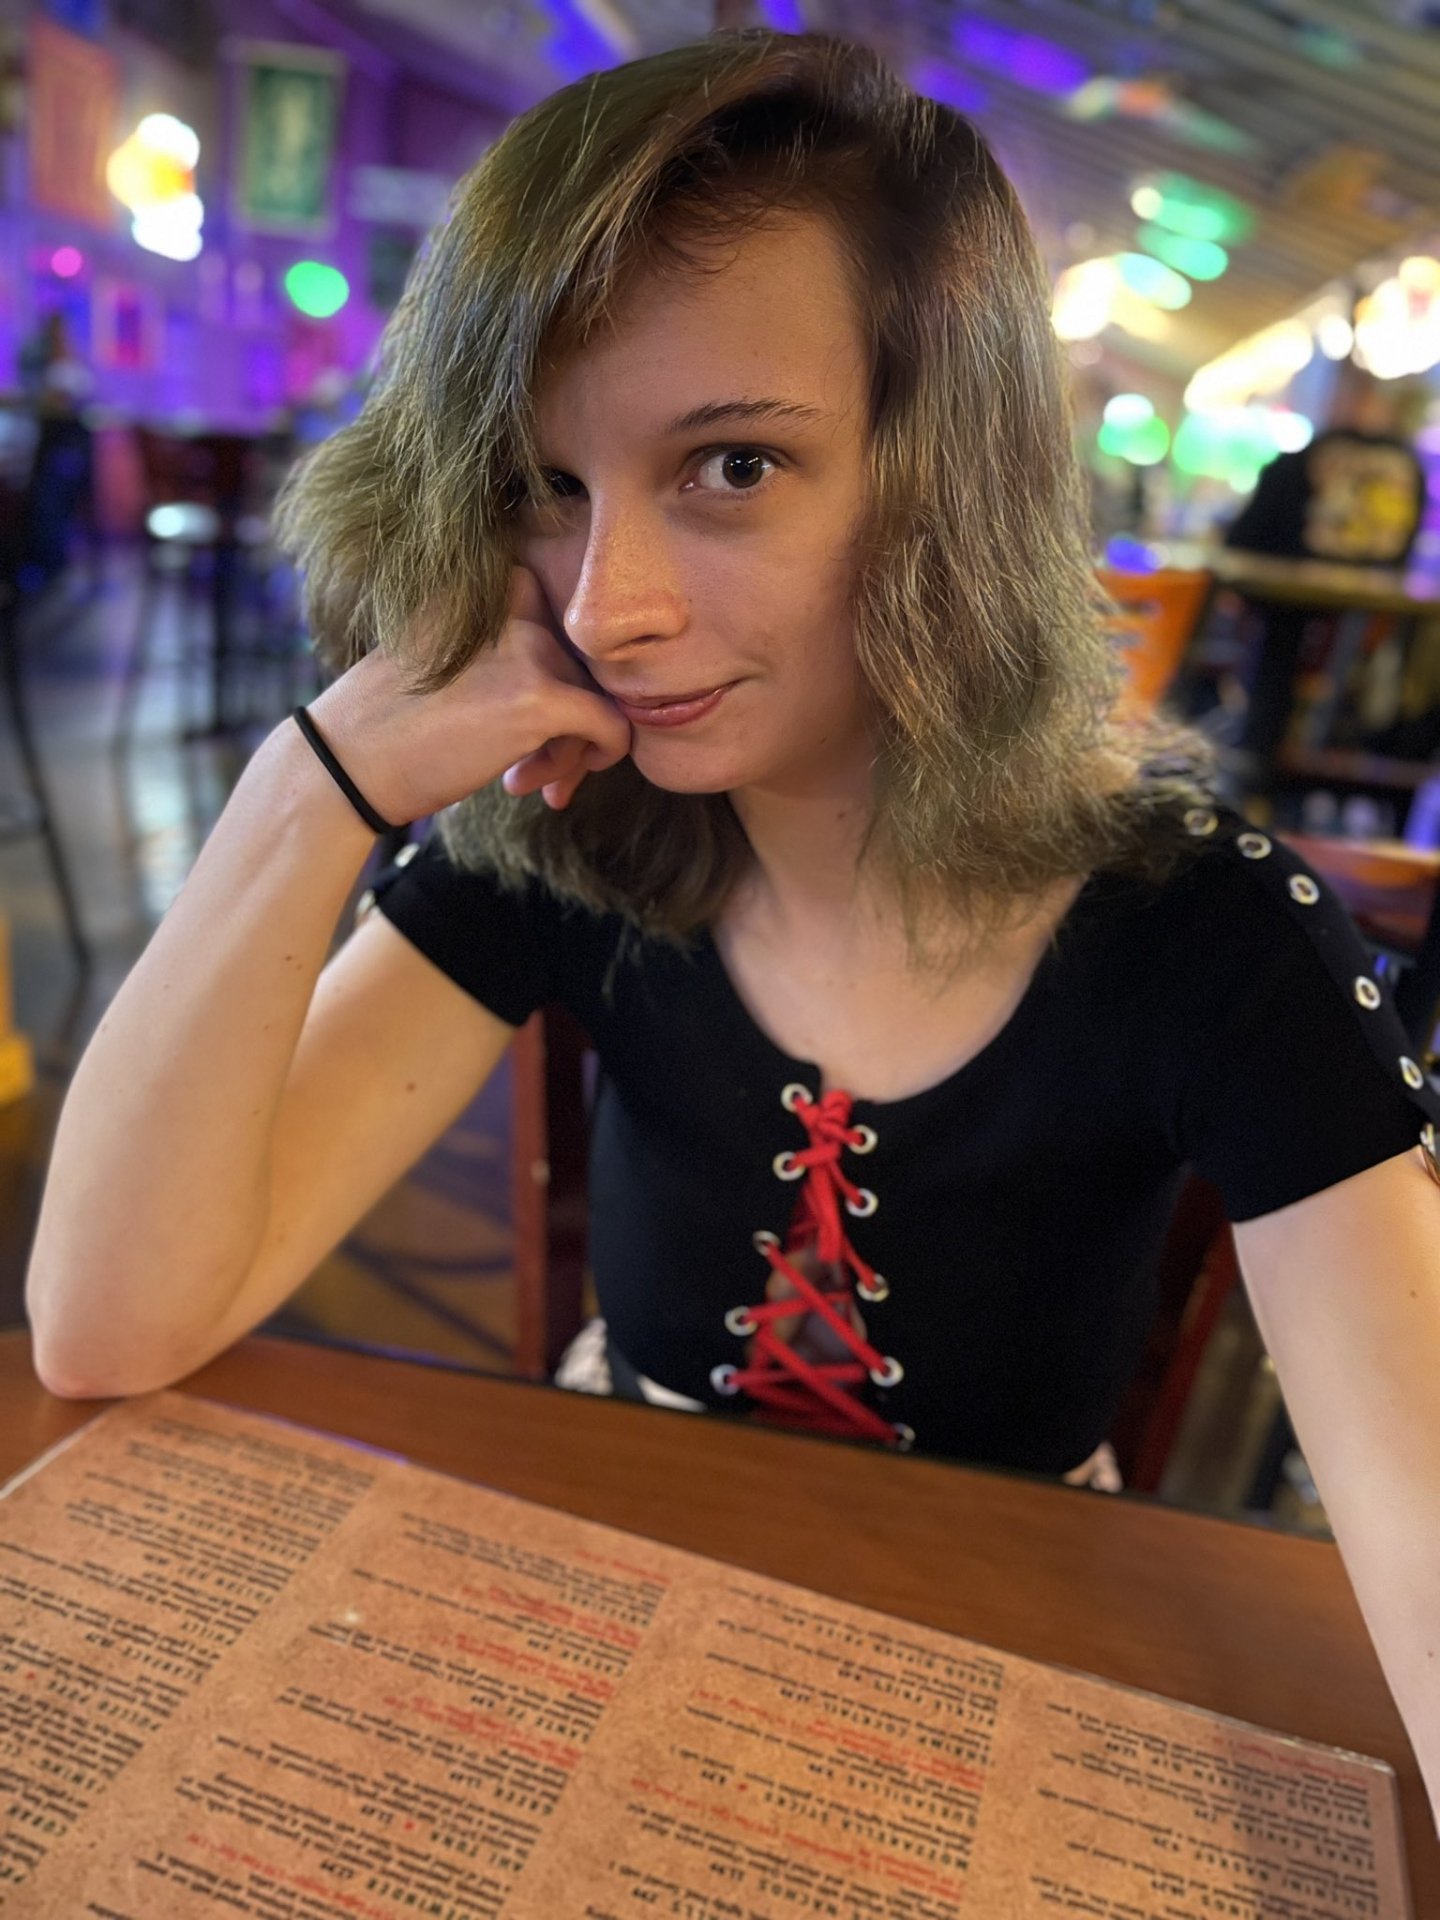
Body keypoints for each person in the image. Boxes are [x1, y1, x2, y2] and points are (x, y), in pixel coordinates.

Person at [24, 32, 1440, 1818]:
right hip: (597, 1608)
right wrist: (307, 790)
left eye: (736, 466)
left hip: (1009, 1663)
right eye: (545, 486)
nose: (606, 610)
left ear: (950, 483)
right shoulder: (568, 841)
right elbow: (109, 1327)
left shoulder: (1211, 933)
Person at [1221, 361, 1430, 791]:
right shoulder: (1408, 469)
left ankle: (1255, 771)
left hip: (1288, 617)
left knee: (1276, 651)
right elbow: (1404, 552)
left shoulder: (1300, 462)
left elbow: (1244, 540)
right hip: (1371, 632)